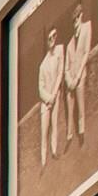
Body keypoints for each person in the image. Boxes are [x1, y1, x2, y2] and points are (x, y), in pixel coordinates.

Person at [65, 2, 95, 149]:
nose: (75, 22)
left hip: (80, 75)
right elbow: (66, 68)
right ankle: (69, 135)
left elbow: (85, 53)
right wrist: (70, 80)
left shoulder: (87, 27)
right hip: (71, 79)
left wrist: (77, 77)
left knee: (80, 103)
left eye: (77, 18)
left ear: (81, 16)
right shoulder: (70, 43)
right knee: (69, 104)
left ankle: (81, 132)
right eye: (73, 20)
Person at [36, 26, 65, 164]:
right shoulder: (42, 65)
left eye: (54, 36)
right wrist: (49, 98)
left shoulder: (60, 50)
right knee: (44, 132)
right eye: (50, 38)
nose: (53, 39)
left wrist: (54, 95)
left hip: (55, 96)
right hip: (46, 103)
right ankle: (43, 160)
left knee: (54, 124)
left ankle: (54, 151)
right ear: (47, 42)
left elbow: (60, 73)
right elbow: (40, 88)